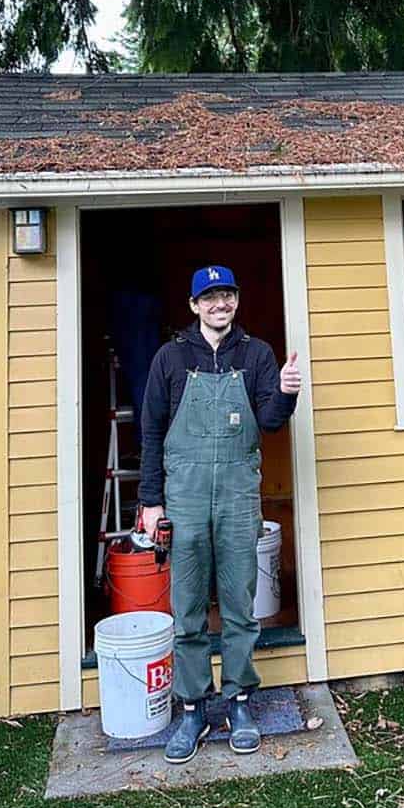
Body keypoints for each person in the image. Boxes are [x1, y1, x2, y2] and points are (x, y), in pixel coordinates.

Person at [139, 265, 301, 763]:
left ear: (236, 300)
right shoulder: (170, 359)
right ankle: (192, 708)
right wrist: (150, 501)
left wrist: (288, 392)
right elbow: (150, 431)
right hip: (183, 498)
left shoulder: (257, 355)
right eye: (208, 298)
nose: (219, 304)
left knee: (238, 606)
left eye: (226, 295)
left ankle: (239, 702)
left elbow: (270, 423)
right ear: (193, 306)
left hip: (236, 496)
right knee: (187, 608)